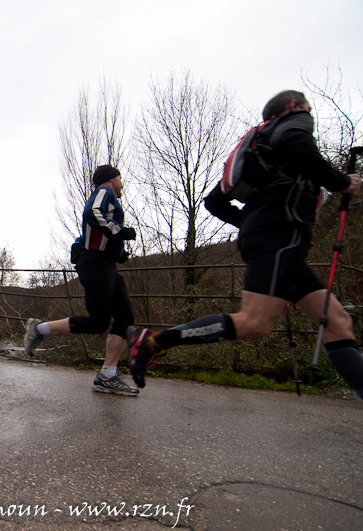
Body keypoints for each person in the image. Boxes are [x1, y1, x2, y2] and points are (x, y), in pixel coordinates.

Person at [126, 89, 363, 398]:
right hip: (279, 238)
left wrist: (250, 224)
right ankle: (154, 341)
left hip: (278, 241)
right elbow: (297, 144)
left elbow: (214, 201)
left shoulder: (259, 146)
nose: (309, 116)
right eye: (307, 109)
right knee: (255, 322)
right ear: (294, 105)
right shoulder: (294, 123)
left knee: (337, 322)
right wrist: (341, 182)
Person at [23, 165, 139, 396]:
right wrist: (121, 231)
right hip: (95, 263)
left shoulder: (109, 195)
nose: (122, 183)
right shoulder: (105, 191)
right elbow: (93, 213)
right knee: (98, 322)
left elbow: (97, 231)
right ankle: (40, 328)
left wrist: (118, 252)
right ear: (110, 179)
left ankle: (108, 376)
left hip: (107, 263)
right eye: (120, 178)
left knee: (125, 319)